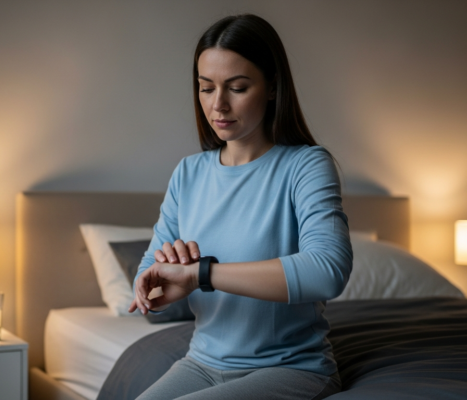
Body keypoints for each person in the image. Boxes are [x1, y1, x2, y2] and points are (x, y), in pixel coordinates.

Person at [128, 14, 352, 400]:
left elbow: (327, 270)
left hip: (291, 369)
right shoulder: (189, 173)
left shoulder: (306, 165)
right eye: (205, 88)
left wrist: (202, 274)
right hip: (200, 363)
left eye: (237, 87)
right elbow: (149, 271)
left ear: (271, 87)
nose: (218, 105)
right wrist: (153, 286)